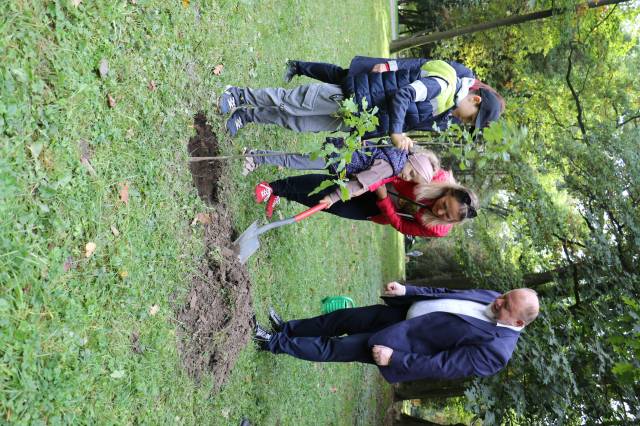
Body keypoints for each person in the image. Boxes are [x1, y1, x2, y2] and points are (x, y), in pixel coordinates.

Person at [253, 282, 540, 384]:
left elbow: (443, 366)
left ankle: (272, 343)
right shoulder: (492, 297)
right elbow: (446, 294)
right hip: (400, 313)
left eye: (506, 305)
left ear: (517, 323)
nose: (498, 301)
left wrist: (396, 359)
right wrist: (408, 291)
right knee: (341, 319)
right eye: (504, 295)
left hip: (396, 343)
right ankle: (288, 328)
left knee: (336, 347)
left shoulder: (497, 352)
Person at [218, 57, 505, 151]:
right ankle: (239, 95)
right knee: (294, 101)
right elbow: (404, 95)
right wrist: (395, 133)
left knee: (297, 120)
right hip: (356, 99)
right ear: (475, 99)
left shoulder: (446, 107)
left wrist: (372, 134)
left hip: (359, 118)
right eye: (471, 118)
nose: (465, 122)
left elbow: (409, 117)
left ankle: (247, 117)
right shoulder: (443, 86)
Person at [253, 143, 479, 237]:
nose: (440, 212)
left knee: (327, 205)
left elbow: (402, 225)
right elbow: (402, 165)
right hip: (376, 176)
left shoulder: (438, 229)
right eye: (445, 206)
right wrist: (379, 185)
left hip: (377, 207)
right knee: (328, 189)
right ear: (448, 191)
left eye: (446, 216)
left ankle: (280, 193)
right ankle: (274, 186)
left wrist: (383, 201)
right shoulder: (432, 176)